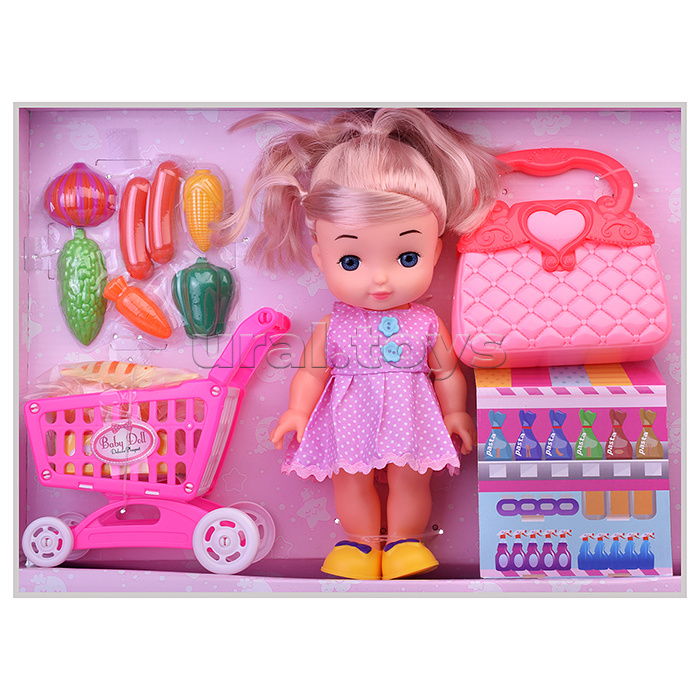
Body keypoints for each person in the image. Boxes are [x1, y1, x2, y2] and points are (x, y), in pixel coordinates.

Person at [220, 108, 502, 579]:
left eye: (406, 256)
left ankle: (406, 544)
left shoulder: (425, 322)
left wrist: (456, 412)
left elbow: (448, 371)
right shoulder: (333, 325)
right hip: (348, 417)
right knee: (350, 482)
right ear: (321, 257)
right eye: (350, 260)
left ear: (435, 251)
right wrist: (297, 411)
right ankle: (360, 545)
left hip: (412, 415)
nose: (380, 279)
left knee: (412, 480)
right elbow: (310, 371)